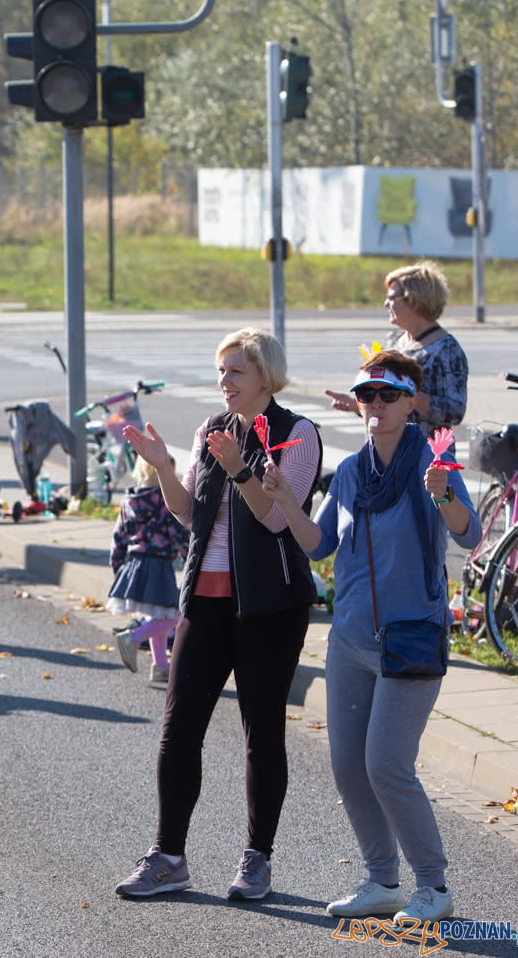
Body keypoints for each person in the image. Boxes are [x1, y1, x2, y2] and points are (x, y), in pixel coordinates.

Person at [262, 352, 479, 925]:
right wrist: (285, 497)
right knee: (348, 767)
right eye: (366, 395)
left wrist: (443, 493)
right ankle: (382, 880)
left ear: (412, 403)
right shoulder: (355, 469)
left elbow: (469, 532)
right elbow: (317, 545)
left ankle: (432, 885)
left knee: (386, 764)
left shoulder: (434, 461)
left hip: (410, 639)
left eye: (387, 395)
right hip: (350, 640)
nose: (375, 406)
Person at [116, 327, 323, 902]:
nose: (224, 382)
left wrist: (239, 469)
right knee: (178, 729)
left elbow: (277, 519)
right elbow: (189, 514)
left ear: (264, 375)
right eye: (221, 371)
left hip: (269, 609)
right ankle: (168, 856)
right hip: (203, 603)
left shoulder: (296, 435)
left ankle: (257, 858)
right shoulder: (211, 428)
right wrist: (161, 466)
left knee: (261, 734)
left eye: (235, 371)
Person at [324, 262, 467, 442]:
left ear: (414, 301)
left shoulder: (446, 349)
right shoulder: (394, 340)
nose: (386, 304)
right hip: (383, 454)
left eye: (392, 297)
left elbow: (454, 412)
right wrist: (360, 404)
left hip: (424, 458)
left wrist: (407, 392)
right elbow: (389, 404)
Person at [110, 455, 189, 685]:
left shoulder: (129, 500)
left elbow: (118, 536)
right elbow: (179, 535)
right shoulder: (166, 502)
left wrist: (117, 567)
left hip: (134, 564)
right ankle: (133, 638)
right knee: (175, 615)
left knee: (157, 615)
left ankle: (161, 666)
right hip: (158, 564)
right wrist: (190, 558)